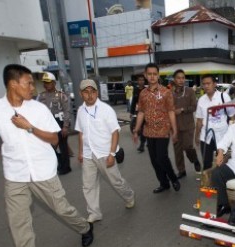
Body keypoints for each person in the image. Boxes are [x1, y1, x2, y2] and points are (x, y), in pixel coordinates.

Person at [0, 64, 93, 247]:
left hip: (43, 171)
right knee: (17, 220)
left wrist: (29, 127)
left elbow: (54, 139)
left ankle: (85, 228)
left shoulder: (38, 109)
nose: (33, 87)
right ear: (13, 84)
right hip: (15, 175)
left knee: (61, 209)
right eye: (29, 82)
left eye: (33, 83)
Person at [75, 79, 135, 223]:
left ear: (97, 93)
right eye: (86, 92)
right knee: (88, 185)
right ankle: (94, 212)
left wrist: (112, 154)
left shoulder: (105, 109)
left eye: (93, 91)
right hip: (89, 154)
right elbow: (81, 133)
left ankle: (129, 195)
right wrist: (80, 152)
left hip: (105, 153)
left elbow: (115, 132)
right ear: (80, 94)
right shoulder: (80, 111)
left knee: (116, 182)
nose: (90, 95)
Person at [132, 63, 181, 193]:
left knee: (161, 157)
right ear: (145, 75)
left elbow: (171, 111)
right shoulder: (142, 94)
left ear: (158, 75)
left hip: (163, 130)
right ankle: (164, 183)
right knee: (154, 160)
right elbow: (141, 112)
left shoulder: (166, 92)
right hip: (149, 131)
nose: (152, 77)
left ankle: (173, 178)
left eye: (155, 74)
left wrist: (174, 130)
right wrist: (136, 129)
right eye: (150, 74)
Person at [195, 75, 235, 170]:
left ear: (214, 84)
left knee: (221, 162)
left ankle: (219, 182)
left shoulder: (224, 97)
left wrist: (233, 134)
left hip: (222, 135)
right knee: (206, 163)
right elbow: (199, 120)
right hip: (206, 136)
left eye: (208, 83)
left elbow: (232, 116)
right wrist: (196, 136)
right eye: (204, 84)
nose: (206, 86)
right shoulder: (201, 100)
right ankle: (208, 183)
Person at [37, 71, 72, 175]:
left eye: (48, 82)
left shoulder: (61, 96)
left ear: (54, 83)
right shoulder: (40, 96)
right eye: (45, 82)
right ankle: (59, 163)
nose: (46, 85)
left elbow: (67, 111)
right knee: (50, 146)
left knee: (62, 145)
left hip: (59, 122)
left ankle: (65, 167)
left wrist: (65, 126)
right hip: (47, 124)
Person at [171, 69, 201, 178]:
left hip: (188, 125)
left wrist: (182, 109)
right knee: (177, 150)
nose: (181, 80)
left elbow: (194, 107)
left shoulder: (190, 91)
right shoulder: (170, 93)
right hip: (175, 126)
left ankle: (195, 160)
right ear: (174, 79)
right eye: (178, 78)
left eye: (183, 78)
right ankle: (181, 170)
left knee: (188, 147)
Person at [130, 74, 147, 152]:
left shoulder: (146, 90)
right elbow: (133, 102)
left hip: (147, 112)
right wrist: (131, 112)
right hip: (138, 111)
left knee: (145, 128)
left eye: (142, 80)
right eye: (140, 80)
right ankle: (143, 144)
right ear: (137, 81)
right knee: (141, 127)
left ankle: (143, 144)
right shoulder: (135, 90)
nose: (141, 81)